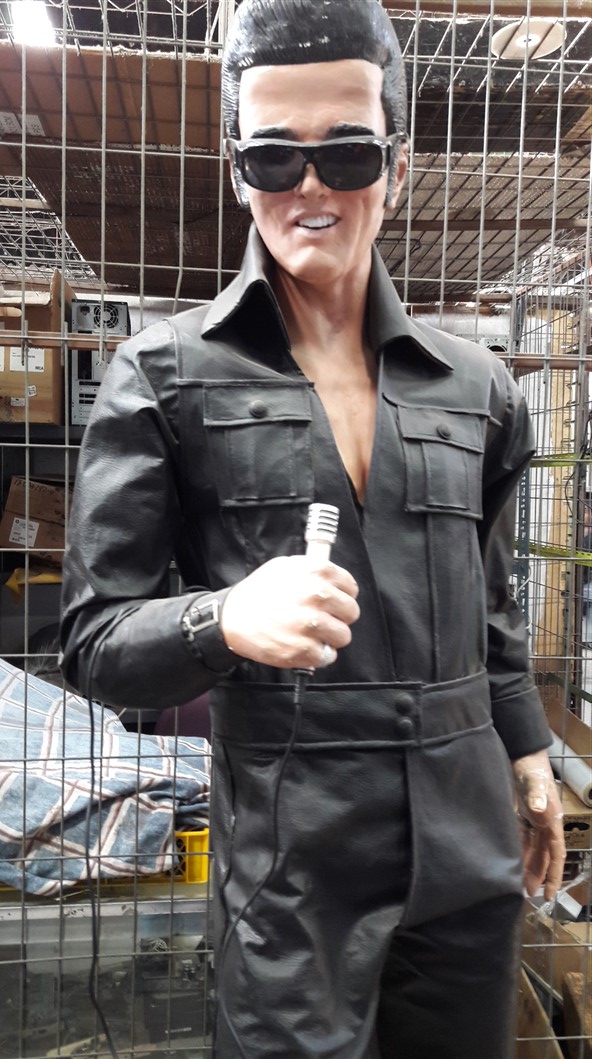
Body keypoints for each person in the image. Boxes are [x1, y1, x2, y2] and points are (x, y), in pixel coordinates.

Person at [59, 2, 566, 1056]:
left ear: (397, 163)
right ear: (237, 170)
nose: (311, 188)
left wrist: (527, 755)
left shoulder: (478, 389)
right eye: (273, 157)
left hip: (467, 841)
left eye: (346, 152)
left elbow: (493, 606)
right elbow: (95, 640)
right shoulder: (164, 376)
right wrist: (223, 619)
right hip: (295, 864)